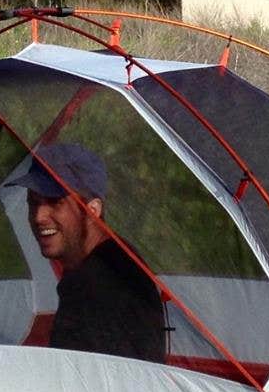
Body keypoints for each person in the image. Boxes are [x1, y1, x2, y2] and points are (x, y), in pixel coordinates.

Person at [13, 143, 167, 363]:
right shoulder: (114, 258)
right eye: (33, 203)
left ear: (92, 210)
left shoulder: (99, 283)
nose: (39, 216)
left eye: (55, 202)